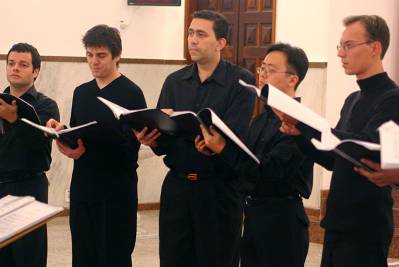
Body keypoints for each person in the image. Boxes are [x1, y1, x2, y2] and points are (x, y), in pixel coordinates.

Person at [134, 10, 255, 267]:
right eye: (190, 33)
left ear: (221, 42)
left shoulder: (241, 82)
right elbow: (164, 141)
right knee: (173, 260)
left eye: (201, 34)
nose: (193, 40)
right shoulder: (175, 81)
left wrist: (213, 145)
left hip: (219, 190)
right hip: (177, 189)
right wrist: (151, 137)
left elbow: (235, 136)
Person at [280, 15, 399, 266]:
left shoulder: (392, 98)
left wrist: (307, 123)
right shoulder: (353, 99)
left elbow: (365, 148)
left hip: (366, 223)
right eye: (339, 46)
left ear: (375, 48)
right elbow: (336, 159)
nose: (340, 54)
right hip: (338, 220)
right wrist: (301, 135)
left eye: (348, 46)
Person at [198, 42, 313, 267]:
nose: (262, 75)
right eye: (262, 69)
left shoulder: (300, 123)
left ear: (293, 79)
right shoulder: (262, 118)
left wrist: (224, 149)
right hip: (253, 216)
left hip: (282, 219)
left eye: (271, 70)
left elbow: (268, 172)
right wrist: (216, 151)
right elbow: (244, 166)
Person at [47, 25, 146, 267]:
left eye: (100, 56)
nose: (94, 62)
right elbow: (77, 132)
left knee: (114, 255)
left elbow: (132, 147)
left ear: (117, 55)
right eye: (89, 55)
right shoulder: (82, 92)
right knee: (83, 253)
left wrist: (98, 145)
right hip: (84, 185)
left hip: (116, 189)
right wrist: (63, 136)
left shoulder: (132, 93)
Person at [0, 43, 59, 267]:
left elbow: (38, 146)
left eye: (23, 65)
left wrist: (15, 120)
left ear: (35, 71)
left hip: (29, 187)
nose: (15, 68)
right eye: (11, 63)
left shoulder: (46, 106)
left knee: (28, 256)